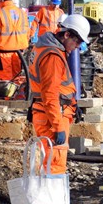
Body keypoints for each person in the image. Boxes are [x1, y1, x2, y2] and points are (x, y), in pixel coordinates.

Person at [29, 14, 88, 175]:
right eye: (77, 41)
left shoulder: (45, 48)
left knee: (49, 160)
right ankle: (51, 199)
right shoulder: (53, 56)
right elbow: (50, 94)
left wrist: (73, 105)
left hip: (48, 112)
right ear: (67, 34)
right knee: (54, 163)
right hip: (53, 117)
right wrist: (58, 126)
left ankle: (49, 197)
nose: (78, 46)